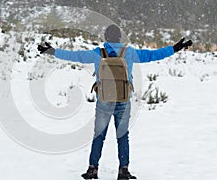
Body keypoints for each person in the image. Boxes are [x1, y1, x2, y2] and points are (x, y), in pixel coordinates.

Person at [37, 24, 193, 180]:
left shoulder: (98, 53)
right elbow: (153, 55)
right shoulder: (129, 53)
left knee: (99, 136)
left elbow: (74, 56)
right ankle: (123, 170)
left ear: (105, 37)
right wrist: (175, 48)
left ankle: (92, 169)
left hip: (104, 100)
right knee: (122, 136)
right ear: (120, 37)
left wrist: (51, 51)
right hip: (123, 100)